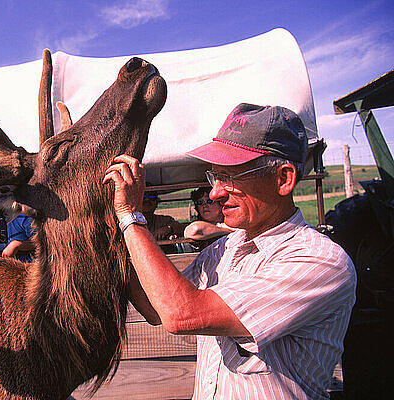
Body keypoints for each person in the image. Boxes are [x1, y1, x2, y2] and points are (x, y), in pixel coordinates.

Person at [103, 103, 356, 399]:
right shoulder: (222, 250)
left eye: (231, 177)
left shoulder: (318, 262)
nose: (215, 193)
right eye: (215, 177)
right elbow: (154, 306)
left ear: (283, 179)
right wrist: (111, 229)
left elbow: (180, 314)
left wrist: (131, 217)